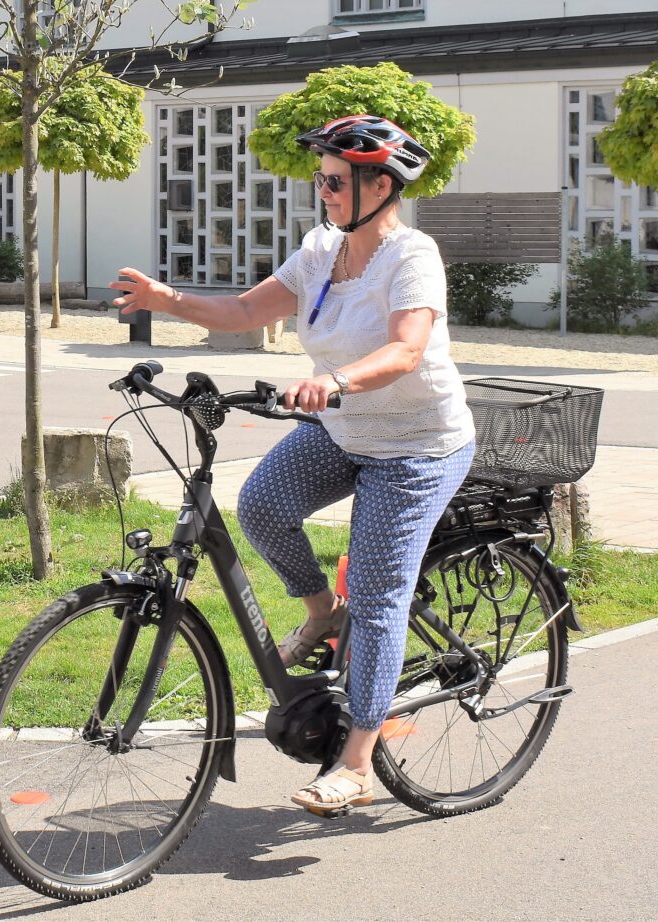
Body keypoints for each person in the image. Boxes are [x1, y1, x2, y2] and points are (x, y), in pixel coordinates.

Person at [111, 115, 475, 815]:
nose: (325, 190)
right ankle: (320, 612)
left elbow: (405, 351)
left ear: (380, 184)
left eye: (336, 180)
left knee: (377, 595)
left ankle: (358, 762)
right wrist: (166, 300)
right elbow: (248, 308)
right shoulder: (319, 250)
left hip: (417, 447)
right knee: (263, 507)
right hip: (343, 430)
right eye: (321, 179)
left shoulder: (412, 257)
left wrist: (335, 382)